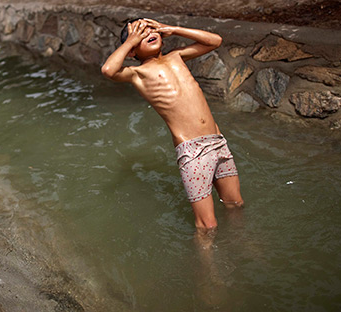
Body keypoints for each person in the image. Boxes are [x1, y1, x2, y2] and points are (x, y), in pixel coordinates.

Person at [101, 18, 243, 231]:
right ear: (132, 50)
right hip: (193, 151)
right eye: (140, 33)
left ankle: (243, 244)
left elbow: (215, 41)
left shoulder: (176, 56)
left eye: (151, 29)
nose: (148, 33)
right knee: (207, 225)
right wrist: (131, 41)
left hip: (217, 142)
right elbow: (108, 70)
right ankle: (209, 264)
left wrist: (175, 29)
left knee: (235, 204)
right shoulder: (138, 74)